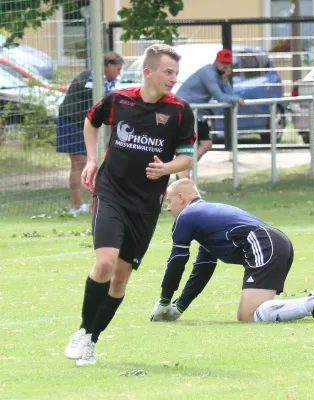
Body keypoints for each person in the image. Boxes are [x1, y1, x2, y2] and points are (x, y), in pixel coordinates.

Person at [64, 44, 196, 366]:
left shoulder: (179, 111)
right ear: (148, 72)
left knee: (121, 277)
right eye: (168, 72)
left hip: (146, 205)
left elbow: (186, 157)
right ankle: (83, 329)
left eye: (176, 73)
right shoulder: (119, 100)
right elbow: (91, 121)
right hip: (111, 192)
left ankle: (94, 340)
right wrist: (92, 160)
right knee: (105, 263)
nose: (173, 79)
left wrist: (165, 169)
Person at [150, 179, 314, 324]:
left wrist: (164, 301)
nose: (168, 208)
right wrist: (180, 306)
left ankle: (313, 302)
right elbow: (202, 269)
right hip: (276, 241)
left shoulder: (187, 216)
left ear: (181, 198)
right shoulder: (205, 220)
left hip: (263, 243)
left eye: (169, 200)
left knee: (247, 315)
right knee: (254, 312)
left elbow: (177, 260)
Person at [56, 51, 124, 214]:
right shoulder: (91, 81)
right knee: (79, 162)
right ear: (107, 66)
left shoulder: (102, 81)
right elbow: (100, 105)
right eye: (118, 69)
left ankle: (91, 202)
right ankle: (76, 205)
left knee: (86, 162)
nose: (119, 73)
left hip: (82, 125)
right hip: (71, 123)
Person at [176, 49, 245, 178]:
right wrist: (237, 100)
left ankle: (184, 175)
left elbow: (229, 95)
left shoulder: (218, 76)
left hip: (194, 112)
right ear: (216, 61)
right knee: (203, 144)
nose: (225, 66)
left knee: (200, 144)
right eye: (222, 62)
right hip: (186, 111)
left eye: (227, 63)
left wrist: (225, 81)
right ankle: (183, 173)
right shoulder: (209, 73)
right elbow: (221, 97)